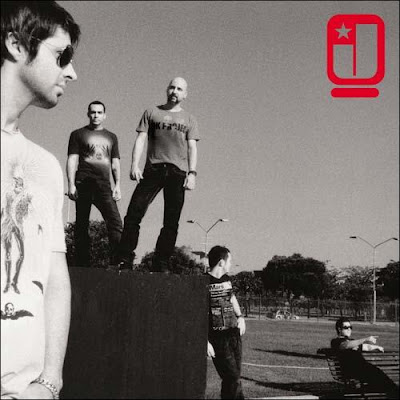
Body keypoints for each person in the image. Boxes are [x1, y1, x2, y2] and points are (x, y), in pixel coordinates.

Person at [1, 1, 80, 398]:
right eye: (61, 55)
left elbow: (55, 282)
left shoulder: (46, 167)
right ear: (16, 44)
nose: (72, 71)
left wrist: (49, 382)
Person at [115, 77, 199, 272]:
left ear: (185, 94)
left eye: (179, 89)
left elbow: (192, 147)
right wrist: (134, 165)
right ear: (167, 89)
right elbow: (141, 139)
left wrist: (192, 173)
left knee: (171, 221)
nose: (174, 91)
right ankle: (125, 258)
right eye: (172, 87)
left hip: (177, 172)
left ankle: (161, 262)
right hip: (153, 169)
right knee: (134, 212)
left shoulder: (189, 119)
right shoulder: (152, 112)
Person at [67, 101, 123, 267]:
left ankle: (117, 261)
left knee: (115, 222)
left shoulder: (112, 137)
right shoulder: (77, 134)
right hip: (83, 182)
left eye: (99, 112)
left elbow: (115, 163)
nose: (96, 115)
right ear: (88, 114)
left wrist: (118, 185)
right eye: (93, 112)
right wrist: (71, 184)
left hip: (103, 185)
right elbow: (72, 159)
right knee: (82, 224)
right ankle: (82, 263)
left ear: (104, 115)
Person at [206, 246, 246, 399]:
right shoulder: (204, 282)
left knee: (233, 379)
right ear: (221, 262)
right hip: (218, 338)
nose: (231, 264)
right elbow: (199, 314)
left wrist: (240, 317)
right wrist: (205, 341)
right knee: (232, 377)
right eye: (229, 261)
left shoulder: (227, 280)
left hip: (234, 334)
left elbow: (232, 298)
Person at [331, 317, 398, 398]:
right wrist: (365, 339)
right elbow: (346, 345)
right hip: (354, 372)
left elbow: (365, 347)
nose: (349, 329)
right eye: (346, 327)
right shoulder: (336, 341)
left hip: (364, 370)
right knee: (386, 385)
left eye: (350, 327)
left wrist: (376, 347)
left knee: (387, 384)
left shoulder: (352, 341)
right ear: (339, 329)